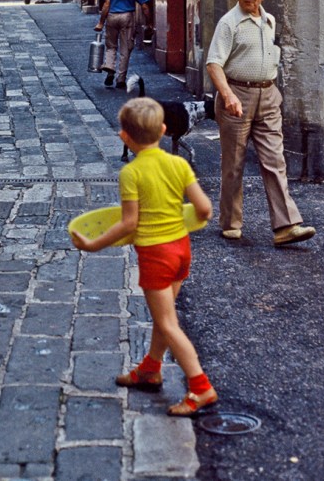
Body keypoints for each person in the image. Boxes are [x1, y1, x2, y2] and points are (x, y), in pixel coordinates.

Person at [71, 98, 217, 416]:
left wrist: (93, 245)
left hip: (156, 254)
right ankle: (151, 368)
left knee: (167, 322)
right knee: (163, 318)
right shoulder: (179, 165)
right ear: (164, 130)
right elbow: (204, 210)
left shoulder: (132, 173)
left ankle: (200, 387)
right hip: (180, 250)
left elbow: (129, 223)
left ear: (124, 137)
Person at [206, 0, 316, 246]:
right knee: (233, 162)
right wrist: (228, 95)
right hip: (236, 97)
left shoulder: (270, 21)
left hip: (268, 97)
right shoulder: (229, 23)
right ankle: (230, 222)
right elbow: (214, 63)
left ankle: (286, 226)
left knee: (274, 160)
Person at [94, 0, 152, 88]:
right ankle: (121, 79)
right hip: (127, 17)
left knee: (111, 45)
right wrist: (149, 22)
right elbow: (145, 7)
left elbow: (106, 4)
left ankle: (110, 67)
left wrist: (100, 22)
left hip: (112, 17)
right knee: (126, 49)